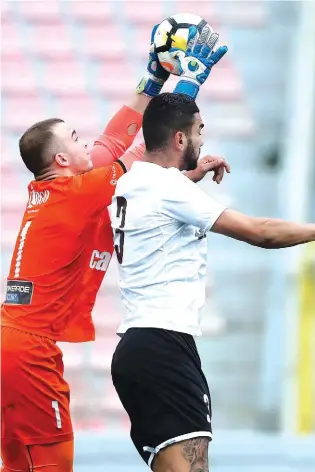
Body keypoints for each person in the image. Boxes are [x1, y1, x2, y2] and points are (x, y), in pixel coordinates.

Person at [0, 24, 227, 472]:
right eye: (75, 139)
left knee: (23, 463)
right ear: (63, 160)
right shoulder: (79, 193)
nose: (89, 142)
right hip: (28, 352)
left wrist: (151, 79)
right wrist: (188, 82)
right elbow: (148, 149)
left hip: (17, 345)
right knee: (50, 462)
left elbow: (113, 141)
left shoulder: (61, 188)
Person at [109, 91, 315, 472]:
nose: (203, 140)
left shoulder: (130, 183)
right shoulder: (169, 190)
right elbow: (261, 232)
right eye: (199, 131)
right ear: (179, 139)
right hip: (164, 346)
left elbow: (158, 201)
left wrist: (189, 176)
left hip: (138, 347)